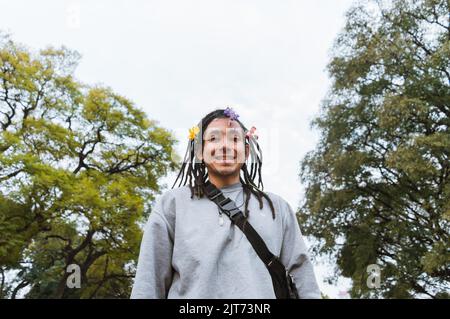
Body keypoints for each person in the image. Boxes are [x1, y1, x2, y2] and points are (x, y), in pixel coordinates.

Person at [130, 108, 321, 299]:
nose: (225, 146)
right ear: (199, 151)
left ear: (246, 152)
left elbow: (303, 278)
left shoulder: (277, 208)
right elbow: (148, 284)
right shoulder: (172, 205)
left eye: (235, 139)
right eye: (213, 139)